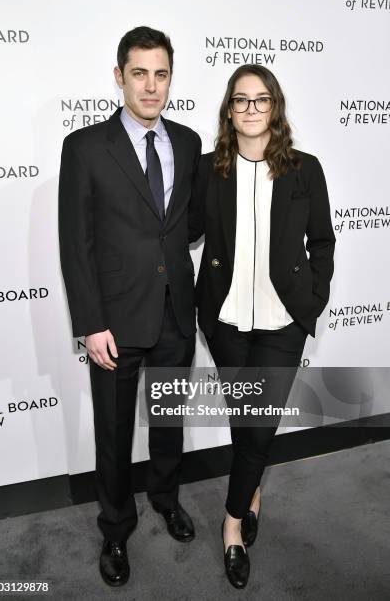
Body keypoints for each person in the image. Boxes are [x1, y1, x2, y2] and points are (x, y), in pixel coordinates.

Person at [59, 26, 201, 588]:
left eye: (160, 73)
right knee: (114, 432)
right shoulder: (86, 146)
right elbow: (77, 243)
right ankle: (116, 527)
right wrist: (91, 324)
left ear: (171, 78)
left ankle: (165, 498)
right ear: (119, 77)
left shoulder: (188, 143)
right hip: (115, 322)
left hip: (175, 312)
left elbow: (186, 225)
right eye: (138, 73)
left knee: (168, 419)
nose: (150, 85)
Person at [189, 64, 335, 589]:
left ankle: (232, 526)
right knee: (242, 420)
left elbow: (322, 241)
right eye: (241, 100)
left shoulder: (304, 168)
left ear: (275, 107)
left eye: (262, 100)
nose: (251, 109)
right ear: (229, 110)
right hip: (226, 320)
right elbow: (183, 233)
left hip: (281, 323)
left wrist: (310, 303)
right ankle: (251, 494)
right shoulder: (210, 170)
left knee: (259, 427)